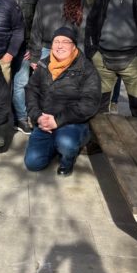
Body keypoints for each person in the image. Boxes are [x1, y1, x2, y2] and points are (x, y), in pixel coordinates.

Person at [24, 27, 101, 176]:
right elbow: (31, 90)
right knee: (33, 163)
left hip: (71, 121)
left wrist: (58, 121)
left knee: (66, 143)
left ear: (74, 46)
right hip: (45, 119)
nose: (60, 46)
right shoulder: (43, 64)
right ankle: (54, 145)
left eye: (65, 42)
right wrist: (38, 116)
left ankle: (68, 159)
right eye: (56, 42)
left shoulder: (87, 69)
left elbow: (89, 103)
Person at [83, 0, 125, 110]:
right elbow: (87, 6)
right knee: (98, 69)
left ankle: (113, 102)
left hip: (120, 36)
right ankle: (98, 102)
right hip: (99, 35)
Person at [1, 0, 38, 134]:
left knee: (21, 84)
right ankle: (4, 118)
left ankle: (22, 119)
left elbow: (37, 24)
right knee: (2, 85)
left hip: (24, 49)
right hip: (3, 49)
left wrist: (32, 47)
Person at [29, 0, 83, 66]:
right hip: (47, 50)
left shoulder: (79, 0)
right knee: (46, 81)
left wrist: (81, 54)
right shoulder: (44, 0)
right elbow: (36, 29)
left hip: (70, 50)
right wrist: (35, 56)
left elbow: (82, 30)